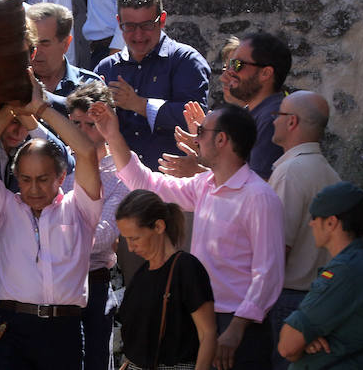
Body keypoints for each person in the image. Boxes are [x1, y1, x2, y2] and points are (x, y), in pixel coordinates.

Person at [91, 102, 284, 370]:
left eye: (202, 131)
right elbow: (147, 183)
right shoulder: (204, 185)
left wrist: (237, 328)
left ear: (221, 139)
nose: (196, 138)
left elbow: (269, 273)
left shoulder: (260, 197)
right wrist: (112, 135)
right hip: (200, 316)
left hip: (239, 325)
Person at [0, 70, 102, 370]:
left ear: (61, 177)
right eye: (25, 180)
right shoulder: (5, 207)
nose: (34, 189)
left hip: (62, 331)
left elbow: (87, 151)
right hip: (12, 329)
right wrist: (10, 109)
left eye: (43, 179)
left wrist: (39, 110)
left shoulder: (81, 209)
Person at [93, 0, 211, 171]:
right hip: (118, 183)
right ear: (118, 22)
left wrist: (140, 105)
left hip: (172, 182)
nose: (138, 35)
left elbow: (196, 122)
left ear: (162, 20)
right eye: (129, 26)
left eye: (147, 25)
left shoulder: (186, 61)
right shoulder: (106, 68)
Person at [267, 91, 341, 370]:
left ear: (292, 122)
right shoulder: (329, 172)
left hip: (289, 299)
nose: (272, 122)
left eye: (278, 116)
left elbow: (277, 248)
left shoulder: (292, 172)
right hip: (315, 296)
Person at [277, 182, 363, 369]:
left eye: (315, 217)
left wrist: (300, 340)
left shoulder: (346, 272)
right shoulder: (358, 264)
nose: (311, 224)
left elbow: (287, 346)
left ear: (331, 222)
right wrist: (305, 340)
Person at [66, 81, 131, 370]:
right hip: (54, 280)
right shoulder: (60, 162)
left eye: (89, 124)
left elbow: (104, 235)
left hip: (95, 282)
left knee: (94, 361)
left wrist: (53, 237)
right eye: (75, 123)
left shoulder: (123, 170)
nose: (80, 132)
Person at [115, 190, 217, 370]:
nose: (130, 248)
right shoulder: (141, 274)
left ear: (159, 227)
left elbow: (207, 334)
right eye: (126, 240)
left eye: (135, 238)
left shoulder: (186, 268)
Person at [221, 32, 291, 179]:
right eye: (230, 64)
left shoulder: (272, 118)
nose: (230, 72)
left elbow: (258, 188)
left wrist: (200, 172)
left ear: (265, 73)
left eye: (237, 64)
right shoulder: (256, 114)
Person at [27, 3, 99, 98]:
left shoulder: (89, 86)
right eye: (31, 43)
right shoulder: (15, 84)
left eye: (44, 43)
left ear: (66, 44)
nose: (36, 50)